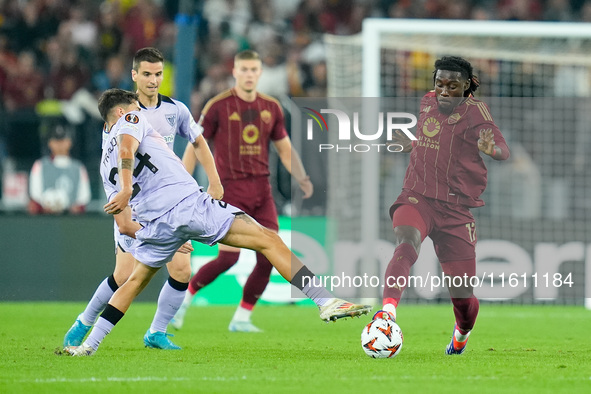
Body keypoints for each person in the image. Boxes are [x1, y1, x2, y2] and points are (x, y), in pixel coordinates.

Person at [63, 89, 371, 356]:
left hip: (156, 224)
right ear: (120, 112)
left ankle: (89, 345)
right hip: (186, 204)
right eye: (133, 108)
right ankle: (325, 301)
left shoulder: (105, 164)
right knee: (269, 239)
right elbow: (128, 147)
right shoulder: (130, 120)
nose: (139, 112)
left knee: (134, 281)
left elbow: (125, 221)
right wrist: (130, 188)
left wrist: (149, 222)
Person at [63, 47, 207, 350]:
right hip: (135, 202)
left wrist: (211, 183)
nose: (153, 80)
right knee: (124, 274)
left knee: (182, 270)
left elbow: (197, 142)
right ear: (134, 76)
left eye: (158, 74)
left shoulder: (175, 109)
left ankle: (157, 331)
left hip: (167, 202)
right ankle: (85, 319)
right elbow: (118, 160)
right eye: (147, 74)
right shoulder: (121, 113)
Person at [376, 56, 510, 355]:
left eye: (452, 86)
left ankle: (462, 332)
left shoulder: (477, 113)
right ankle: (386, 314)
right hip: (417, 195)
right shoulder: (426, 103)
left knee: (462, 299)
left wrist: (492, 149)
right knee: (406, 243)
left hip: (455, 210)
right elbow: (433, 136)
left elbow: (503, 151)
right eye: (439, 84)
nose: (444, 91)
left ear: (466, 87)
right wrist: (412, 142)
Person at [171, 49, 314, 332]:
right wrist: (182, 184)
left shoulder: (271, 107)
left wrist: (302, 177)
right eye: (244, 69)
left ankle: (242, 318)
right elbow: (195, 145)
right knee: (228, 257)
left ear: (259, 73)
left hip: (262, 192)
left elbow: (284, 149)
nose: (249, 75)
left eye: (253, 70)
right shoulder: (218, 106)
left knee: (269, 256)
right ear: (235, 72)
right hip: (230, 193)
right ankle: (183, 302)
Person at [28, 124, 91, 214]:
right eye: (56, 141)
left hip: (70, 220)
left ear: (70, 142)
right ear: (50, 143)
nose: (60, 144)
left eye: (63, 140)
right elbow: (35, 197)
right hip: (45, 217)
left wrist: (72, 209)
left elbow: (83, 200)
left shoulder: (78, 168)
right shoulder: (40, 165)